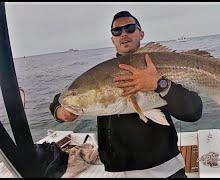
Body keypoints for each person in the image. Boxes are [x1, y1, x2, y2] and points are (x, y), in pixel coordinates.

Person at [49, 11, 203, 178]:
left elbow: (194, 111)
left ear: (141, 33)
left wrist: (159, 84)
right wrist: (60, 110)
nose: (123, 34)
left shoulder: (160, 65)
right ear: (113, 39)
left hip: (166, 169)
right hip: (117, 172)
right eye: (117, 31)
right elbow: (62, 98)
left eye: (129, 28)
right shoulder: (101, 74)